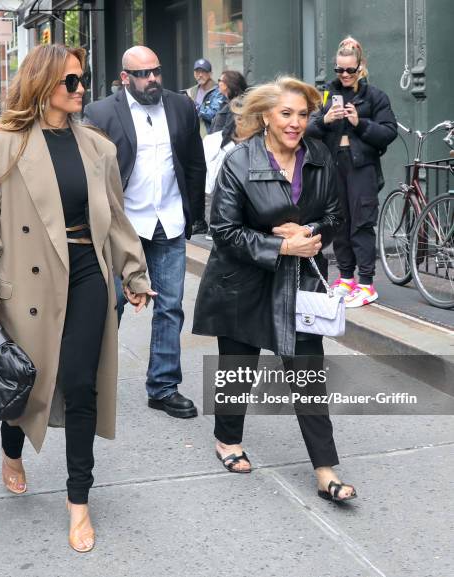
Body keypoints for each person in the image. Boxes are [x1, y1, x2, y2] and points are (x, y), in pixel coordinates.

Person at [0, 44, 153, 553]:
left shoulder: (98, 148)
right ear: (42, 85)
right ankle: (12, 449)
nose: (81, 90)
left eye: (83, 81)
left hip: (85, 275)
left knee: (81, 386)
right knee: (22, 382)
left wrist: (134, 273)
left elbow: (117, 219)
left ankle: (79, 500)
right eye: (71, 82)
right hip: (26, 280)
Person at [193, 77, 357, 502]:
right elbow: (223, 230)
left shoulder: (319, 156)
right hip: (241, 282)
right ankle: (227, 440)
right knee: (239, 368)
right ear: (265, 115)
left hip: (298, 282)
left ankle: (325, 469)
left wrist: (311, 231)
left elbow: (337, 214)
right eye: (286, 113)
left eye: (303, 114)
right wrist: (281, 244)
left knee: (307, 375)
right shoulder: (240, 161)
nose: (295, 123)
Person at [84, 46, 206, 419]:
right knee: (112, 305)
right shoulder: (100, 113)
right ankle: (91, 384)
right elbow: (90, 176)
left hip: (168, 222)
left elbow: (194, 162)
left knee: (170, 307)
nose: (152, 79)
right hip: (123, 228)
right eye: (142, 74)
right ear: (125, 78)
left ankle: (164, 387)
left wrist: (194, 216)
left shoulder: (181, 106)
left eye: (156, 71)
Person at [306, 36, 397, 308]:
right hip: (335, 167)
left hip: (362, 168)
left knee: (362, 223)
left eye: (350, 70)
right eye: (340, 69)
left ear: (361, 67)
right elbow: (308, 129)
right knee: (339, 223)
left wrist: (360, 123)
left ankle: (367, 283)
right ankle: (347, 278)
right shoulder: (326, 93)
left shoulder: (374, 96)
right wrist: (325, 120)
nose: (344, 75)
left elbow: (388, 132)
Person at [184, 57, 225, 138]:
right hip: (192, 137)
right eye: (197, 72)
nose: (200, 75)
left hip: (210, 138)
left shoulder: (219, 91)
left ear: (210, 74)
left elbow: (213, 115)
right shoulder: (190, 91)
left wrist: (193, 104)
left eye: (203, 72)